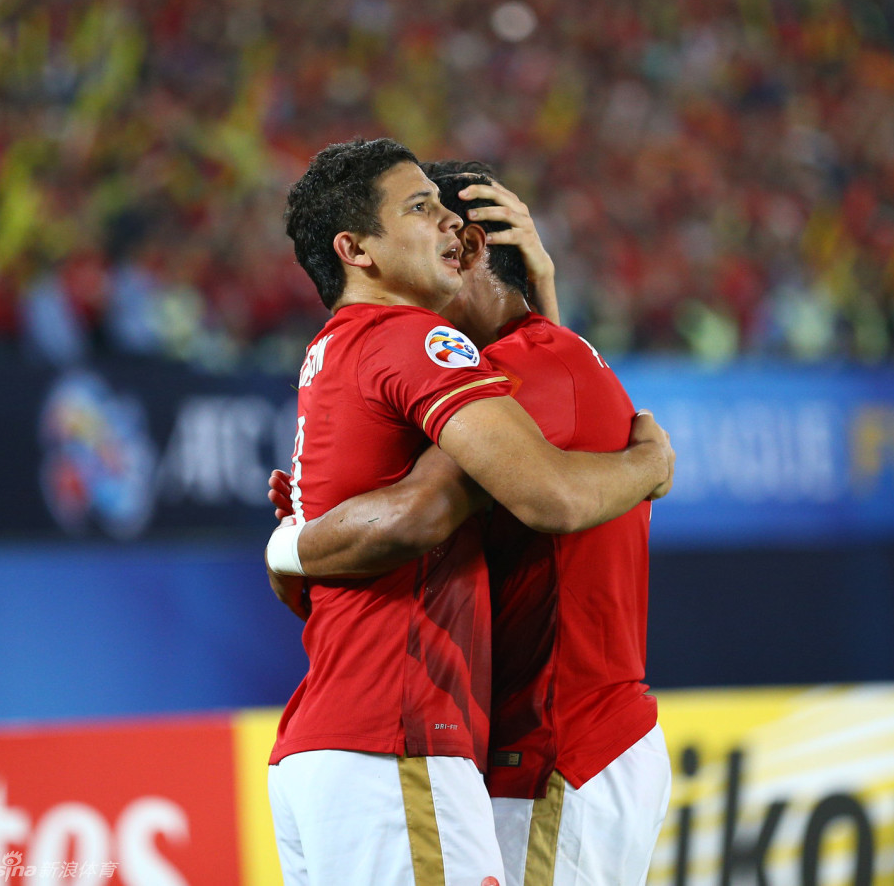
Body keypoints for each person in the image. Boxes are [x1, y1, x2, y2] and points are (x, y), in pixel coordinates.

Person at [264, 139, 674, 886]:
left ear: (476, 248)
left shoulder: (385, 355)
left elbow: (498, 481)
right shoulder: (439, 355)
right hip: (422, 737)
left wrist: (291, 544)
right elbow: (432, 511)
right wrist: (651, 465)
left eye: (450, 222)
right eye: (424, 214)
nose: (447, 235)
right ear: (359, 250)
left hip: (558, 745)